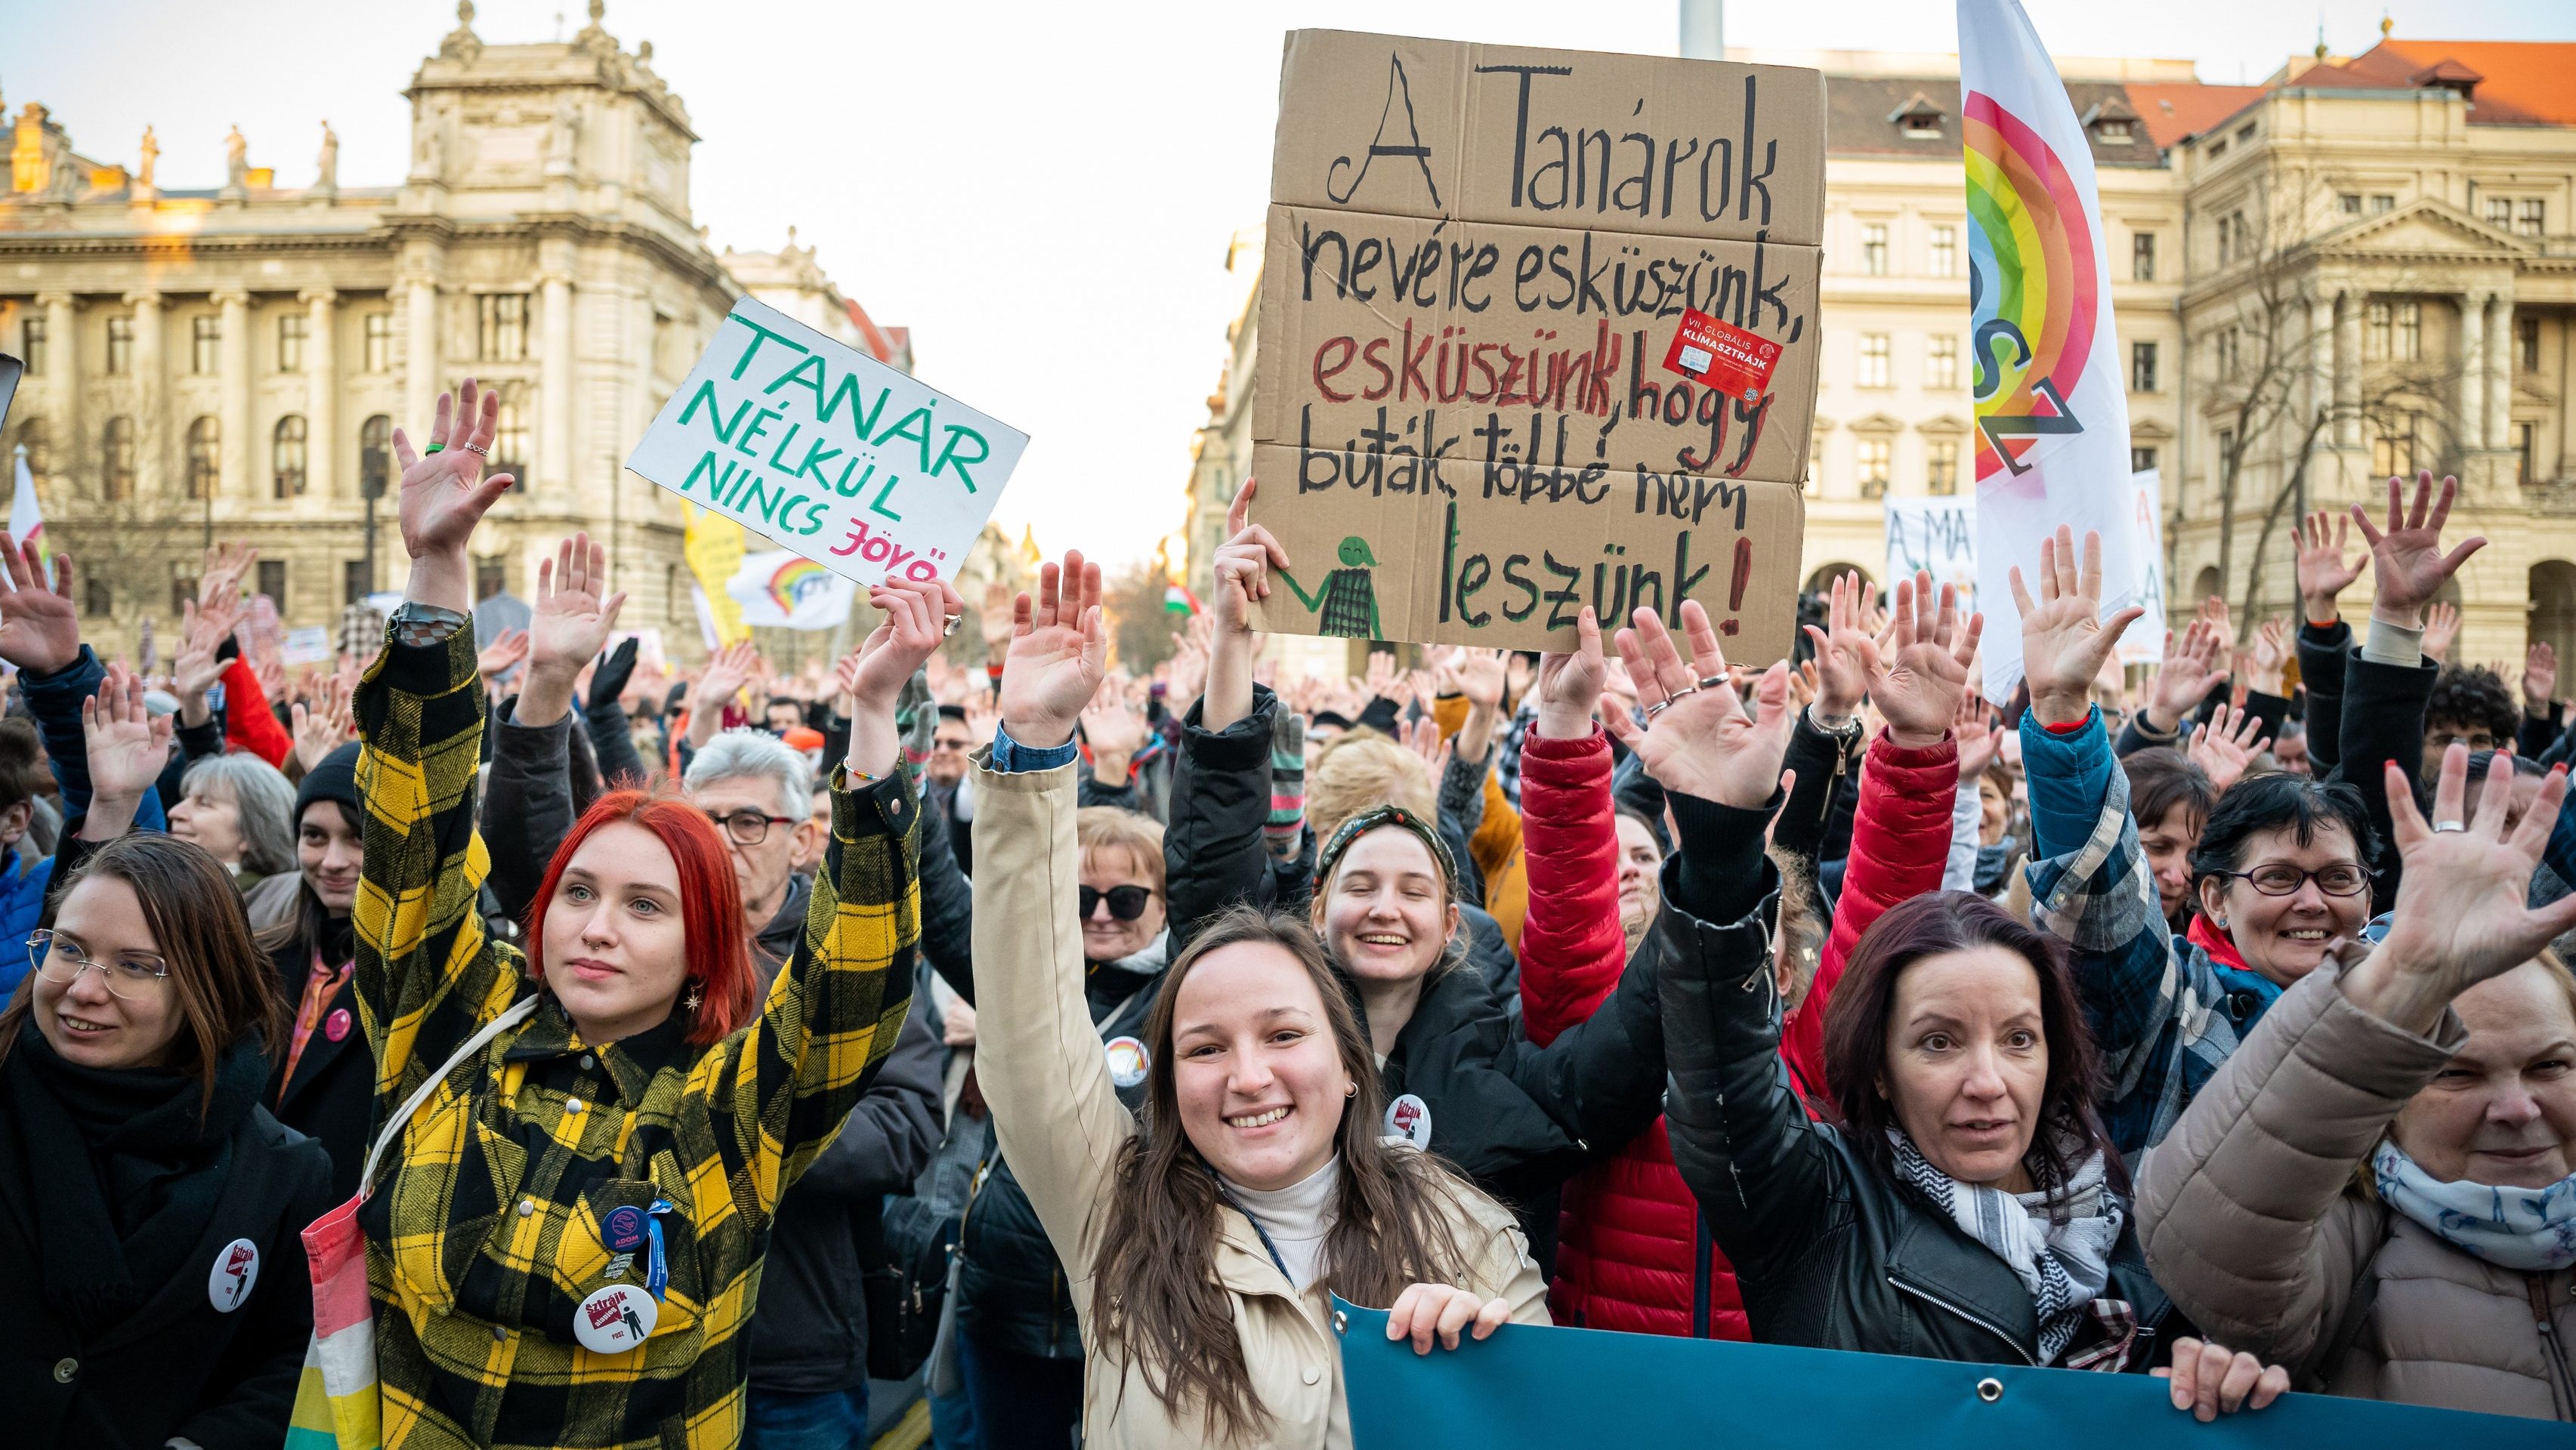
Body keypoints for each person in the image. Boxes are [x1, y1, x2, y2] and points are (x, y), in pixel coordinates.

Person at [349, 381, 931, 1448]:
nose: (597, 927)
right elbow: (412, 837)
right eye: (577, 891)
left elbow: (855, 980)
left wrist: (875, 714)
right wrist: (437, 581)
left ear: (706, 945)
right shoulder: (450, 1027)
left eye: (645, 906)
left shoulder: (733, 1111)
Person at [970, 548, 1546, 1448]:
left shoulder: (1462, 1225)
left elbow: (1550, 1423)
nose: (1248, 1077)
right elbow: (1028, 1028)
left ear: (1349, 1065)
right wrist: (1037, 751)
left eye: (1282, 1034)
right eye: (1203, 1047)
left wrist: (1490, 1364)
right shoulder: (1111, 1212)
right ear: (1165, 1078)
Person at [2141, 746, 2576, 1419]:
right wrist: (2396, 988)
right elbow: (2210, 1249)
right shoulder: (2360, 1243)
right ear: (2388, 1098)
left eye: (2552, 1064)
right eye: (2454, 1072)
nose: (2517, 1108)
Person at [0, 661, 333, 1448]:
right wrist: (109, 802)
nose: (84, 988)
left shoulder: (282, 1174)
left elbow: (293, 1358)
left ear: (205, 986)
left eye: (136, 966)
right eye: (69, 951)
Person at [2019, 525, 2391, 1155]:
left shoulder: (2403, 996)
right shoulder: (2175, 1008)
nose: (2312, 902)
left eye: (2336, 878)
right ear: (2214, 899)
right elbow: (2106, 910)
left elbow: (2385, 777)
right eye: (2278, 878)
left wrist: (2395, 619)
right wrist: (2063, 718)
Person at [953, 803, 1172, 1446]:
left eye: (1127, 899)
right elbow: (947, 903)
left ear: (1164, 905)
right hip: (1006, 1308)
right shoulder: (1022, 981)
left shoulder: (1186, 993)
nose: (1102, 913)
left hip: (1137, 1310)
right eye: (1080, 896)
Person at [255, 739, 375, 1199]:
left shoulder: (415, 978)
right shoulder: (266, 956)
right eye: (315, 836)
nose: (332, 862)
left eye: (358, 838)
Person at [168, 753, 298, 893]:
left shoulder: (266, 906)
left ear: (251, 832)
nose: (174, 812)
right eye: (185, 799)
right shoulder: (173, 888)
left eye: (204, 804)